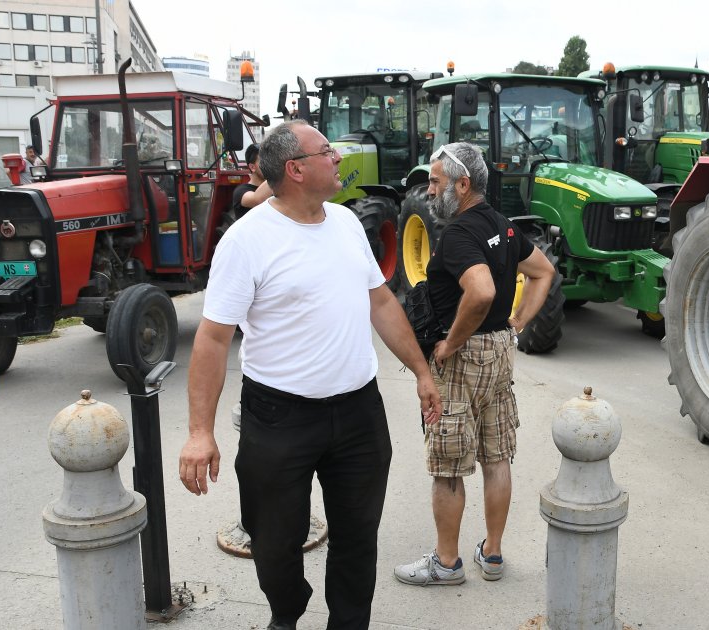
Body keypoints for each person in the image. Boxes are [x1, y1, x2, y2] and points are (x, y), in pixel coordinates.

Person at [178, 120, 442, 630]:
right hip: (278, 418)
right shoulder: (246, 241)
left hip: (359, 412)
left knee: (358, 537)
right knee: (274, 542)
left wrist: (420, 370)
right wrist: (199, 432)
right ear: (296, 170)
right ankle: (286, 612)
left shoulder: (345, 223)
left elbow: (381, 301)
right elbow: (211, 339)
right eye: (327, 151)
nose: (338, 157)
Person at [393, 142, 554, 586]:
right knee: (496, 455)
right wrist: (516, 322)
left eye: (435, 182)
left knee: (447, 463)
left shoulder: (460, 234)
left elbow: (480, 292)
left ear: (462, 185)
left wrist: (450, 343)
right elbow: (543, 272)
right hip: (500, 349)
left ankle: (447, 564)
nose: (428, 191)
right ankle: (494, 553)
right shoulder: (503, 227)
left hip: (463, 355)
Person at [231, 143, 273, 220]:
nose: (270, 165)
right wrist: (277, 172)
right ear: (252, 167)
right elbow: (257, 200)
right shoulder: (240, 191)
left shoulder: (276, 189)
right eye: (264, 161)